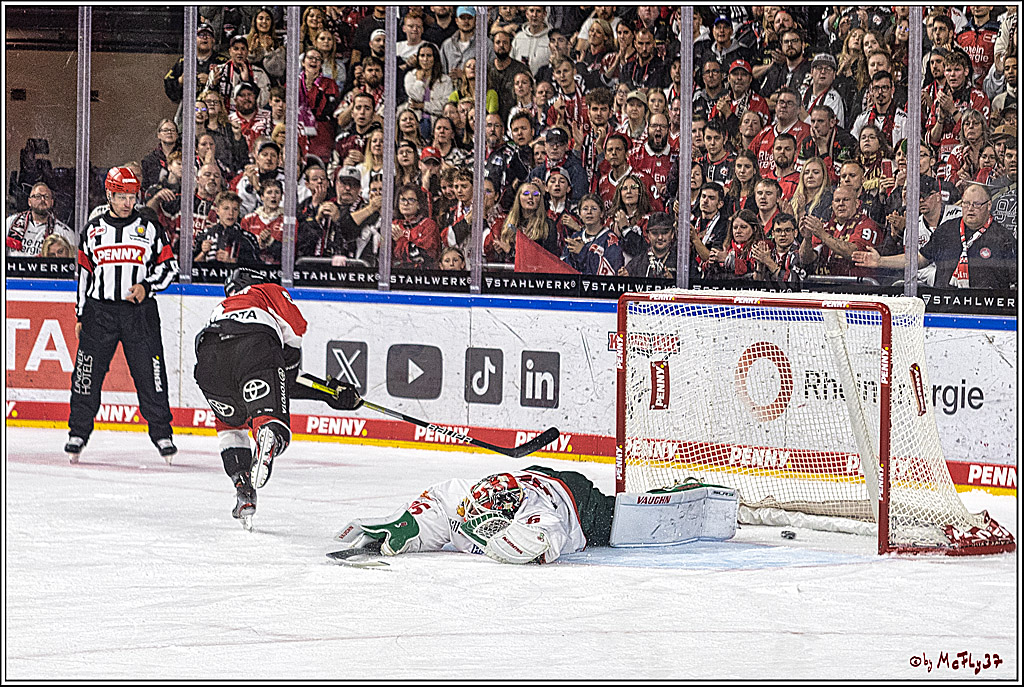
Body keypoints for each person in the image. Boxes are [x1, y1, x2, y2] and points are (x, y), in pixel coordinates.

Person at [194, 267, 362, 526]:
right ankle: (267, 434)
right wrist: (328, 390)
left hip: (208, 360)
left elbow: (280, 382)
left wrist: (329, 394)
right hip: (252, 345)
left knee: (230, 425)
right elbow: (296, 329)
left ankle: (243, 488)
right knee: (272, 422)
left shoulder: (219, 309)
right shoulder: (265, 290)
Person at [65, 167, 179, 463]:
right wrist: (80, 314)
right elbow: (84, 275)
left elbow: (169, 268)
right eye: (121, 196)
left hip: (139, 313)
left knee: (150, 373)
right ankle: (78, 432)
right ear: (109, 195)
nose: (128, 202)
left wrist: (146, 286)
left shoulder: (150, 227)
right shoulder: (92, 230)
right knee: (86, 373)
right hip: (99, 313)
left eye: (132, 196)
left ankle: (162, 434)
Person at [335, 466, 615, 564]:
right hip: (531, 473)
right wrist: (407, 528)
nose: (467, 516)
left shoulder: (536, 513)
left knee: (616, 524)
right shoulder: (463, 497)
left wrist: (527, 544)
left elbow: (549, 535)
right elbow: (436, 508)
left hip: (577, 502)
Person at [853, 182, 1016, 290]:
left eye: (976, 204)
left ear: (989, 206)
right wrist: (881, 261)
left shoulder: (1004, 238)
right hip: (946, 305)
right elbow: (919, 259)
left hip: (986, 311)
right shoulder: (947, 229)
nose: (970, 208)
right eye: (966, 203)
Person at [6, 182, 76, 257]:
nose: (42, 200)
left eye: (46, 197)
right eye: (38, 196)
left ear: (52, 202)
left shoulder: (64, 232)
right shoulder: (10, 222)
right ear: (29, 201)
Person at [561, 193, 623, 275]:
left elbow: (612, 271)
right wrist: (573, 257)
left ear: (601, 214)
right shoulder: (576, 237)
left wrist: (582, 252)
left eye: (594, 209)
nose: (589, 212)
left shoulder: (610, 239)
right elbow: (562, 266)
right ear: (579, 214)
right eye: (585, 209)